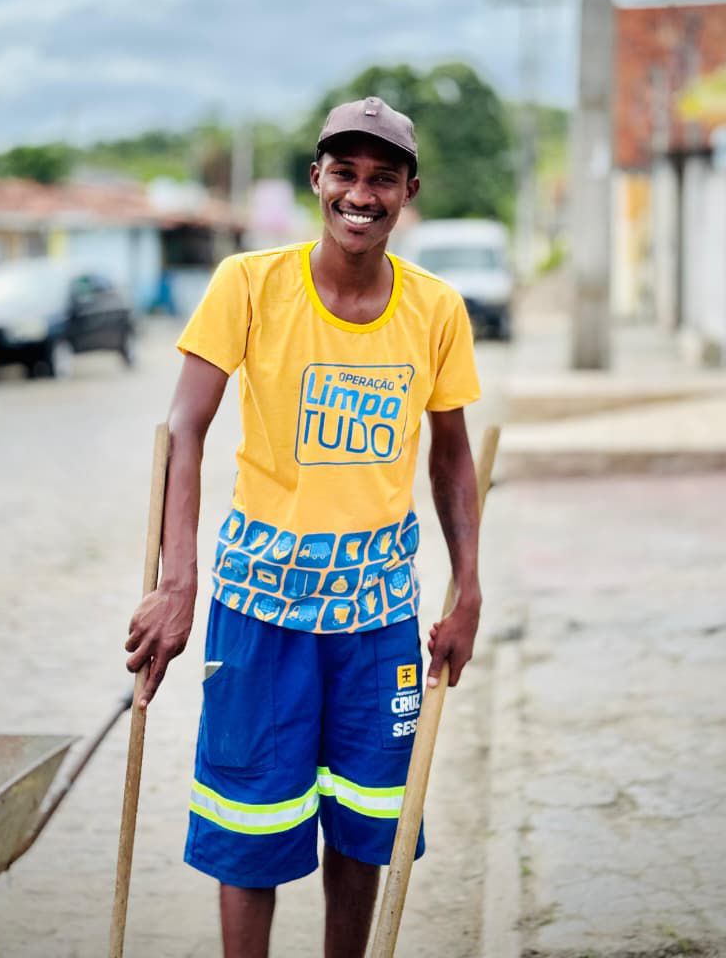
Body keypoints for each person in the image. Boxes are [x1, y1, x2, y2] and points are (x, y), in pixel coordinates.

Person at [125, 96, 483, 958]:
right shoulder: (248, 285)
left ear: (408, 192)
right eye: (346, 173)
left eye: (382, 178)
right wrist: (179, 583)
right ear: (317, 179)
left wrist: (468, 587)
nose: (362, 194)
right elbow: (185, 430)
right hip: (261, 609)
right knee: (250, 832)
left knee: (364, 832)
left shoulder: (436, 311)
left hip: (378, 619)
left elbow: (452, 460)